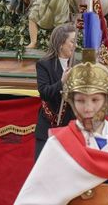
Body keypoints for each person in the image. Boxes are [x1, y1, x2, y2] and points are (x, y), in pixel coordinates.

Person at [15, 61, 108, 204]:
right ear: (71, 102)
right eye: (80, 100)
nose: (88, 108)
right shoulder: (58, 146)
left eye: (95, 99)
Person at [34, 24, 78, 160]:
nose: (74, 45)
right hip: (48, 128)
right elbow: (44, 92)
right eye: (72, 41)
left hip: (69, 129)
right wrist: (62, 82)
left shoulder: (77, 65)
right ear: (61, 43)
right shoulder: (44, 64)